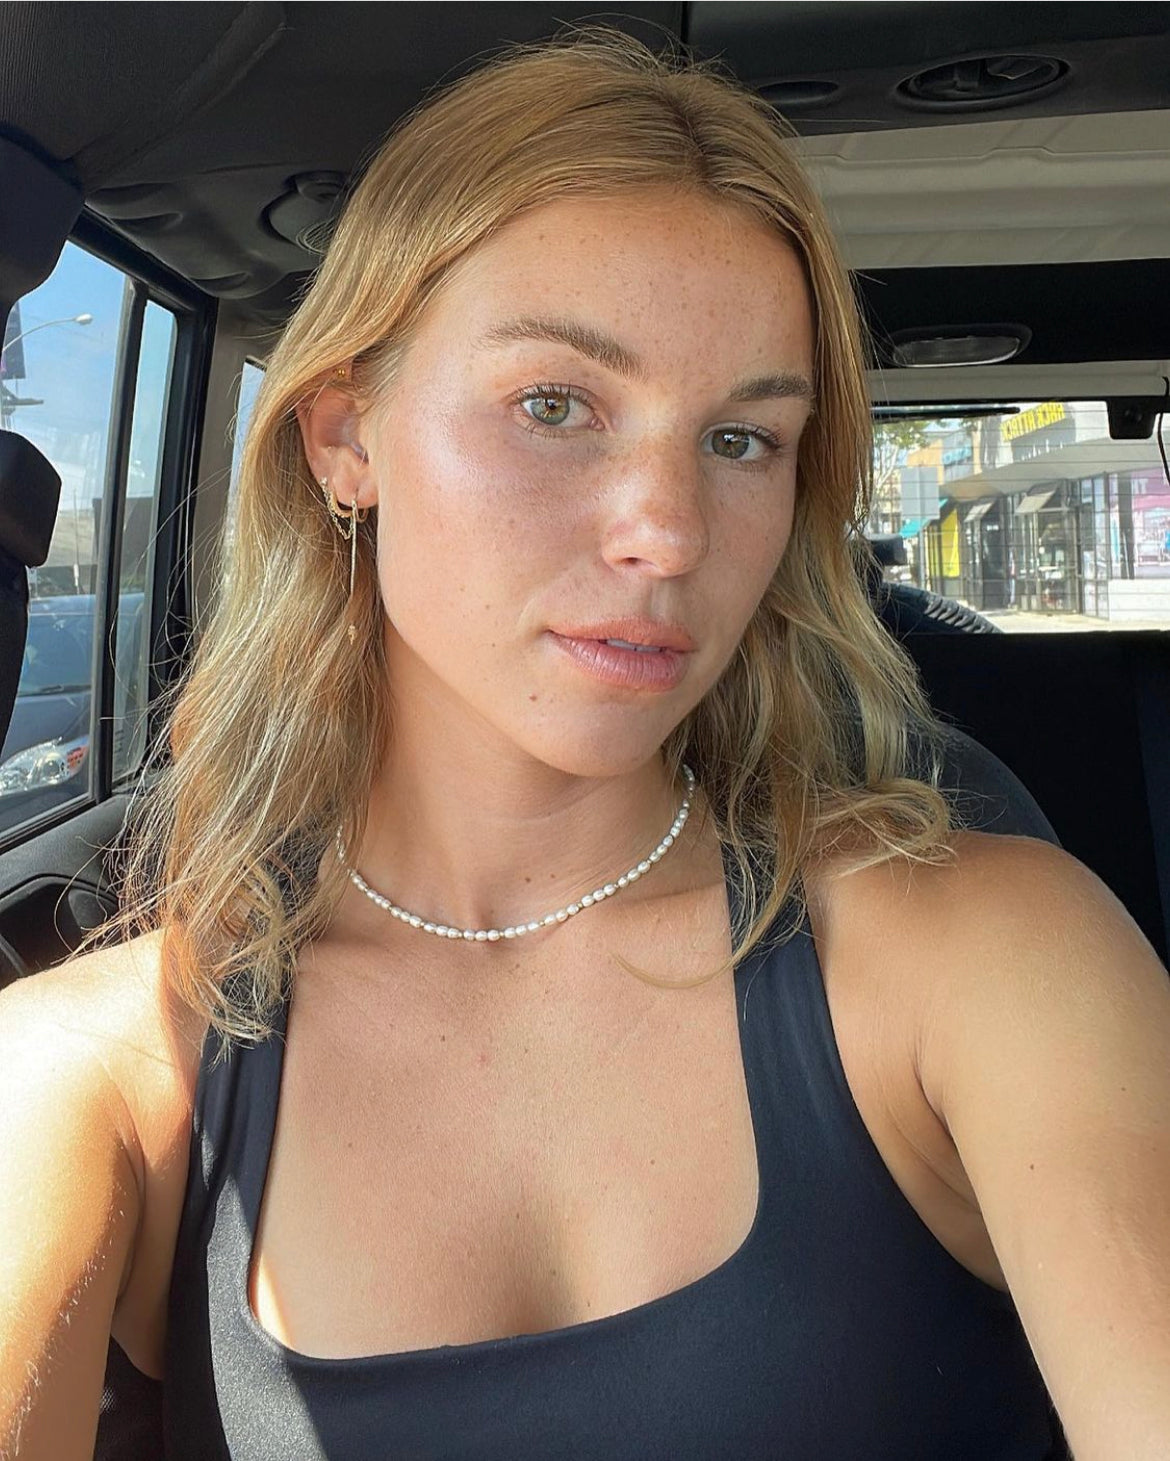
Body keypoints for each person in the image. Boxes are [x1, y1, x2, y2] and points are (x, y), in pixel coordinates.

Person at [3, 27, 1169, 1461]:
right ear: (345, 438)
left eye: (741, 440)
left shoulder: (991, 955)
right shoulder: (98, 1077)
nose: (667, 535)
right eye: (554, 406)